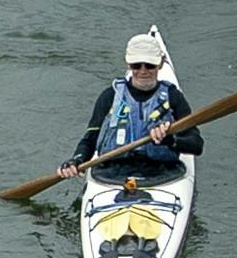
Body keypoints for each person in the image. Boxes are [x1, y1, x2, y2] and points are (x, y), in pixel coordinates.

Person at [58, 32, 203, 183]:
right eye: (136, 65)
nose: (143, 71)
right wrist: (77, 160)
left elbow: (197, 145)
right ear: (128, 64)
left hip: (163, 173)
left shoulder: (173, 97)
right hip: (110, 174)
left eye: (150, 65)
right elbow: (89, 140)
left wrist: (170, 139)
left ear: (160, 64)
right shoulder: (110, 96)